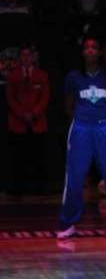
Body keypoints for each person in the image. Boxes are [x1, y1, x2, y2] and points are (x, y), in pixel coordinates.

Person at [57, 37, 106, 239]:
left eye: (94, 47)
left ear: (99, 52)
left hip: (104, 127)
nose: (90, 50)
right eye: (86, 47)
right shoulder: (73, 77)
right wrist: (81, 120)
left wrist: (102, 119)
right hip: (80, 128)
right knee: (75, 177)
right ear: (82, 52)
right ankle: (68, 223)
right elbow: (68, 104)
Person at [6, 44, 49, 195]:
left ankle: (41, 189)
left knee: (38, 157)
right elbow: (10, 98)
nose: (26, 59)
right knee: (18, 158)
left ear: (33, 57)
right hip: (18, 123)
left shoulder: (41, 75)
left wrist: (34, 113)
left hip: (38, 123)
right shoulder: (13, 76)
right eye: (23, 56)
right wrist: (22, 114)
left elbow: (45, 98)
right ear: (20, 58)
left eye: (28, 55)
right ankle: (17, 189)